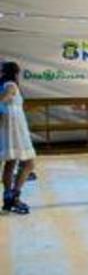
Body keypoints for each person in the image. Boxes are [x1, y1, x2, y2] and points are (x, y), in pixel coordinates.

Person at [0, 62, 36, 215]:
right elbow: (5, 98)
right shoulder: (11, 85)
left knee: (10, 162)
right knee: (29, 163)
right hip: (15, 129)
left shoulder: (5, 84)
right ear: (15, 73)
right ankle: (15, 196)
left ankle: (8, 197)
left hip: (9, 127)